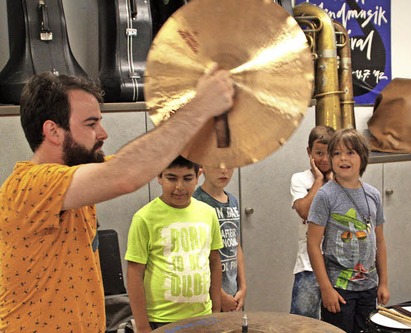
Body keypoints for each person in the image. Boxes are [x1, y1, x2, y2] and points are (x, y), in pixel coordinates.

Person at [0, 67, 234, 332]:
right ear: (53, 131)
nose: (103, 133)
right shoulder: (30, 186)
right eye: (91, 123)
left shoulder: (77, 182)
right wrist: (201, 107)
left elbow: (139, 162)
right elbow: (126, 174)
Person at [125, 156, 223, 332]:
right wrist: (142, 325)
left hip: (203, 317)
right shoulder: (144, 218)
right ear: (159, 176)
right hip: (162, 320)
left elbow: (214, 262)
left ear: (198, 175)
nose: (179, 187)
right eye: (171, 178)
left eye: (187, 178)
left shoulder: (208, 213)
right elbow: (134, 274)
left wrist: (216, 310)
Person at [307, 128, 390, 333]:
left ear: (362, 157)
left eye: (350, 152)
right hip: (339, 288)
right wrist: (326, 288)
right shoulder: (325, 196)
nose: (343, 158)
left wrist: (384, 283)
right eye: (336, 153)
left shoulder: (373, 195)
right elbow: (313, 244)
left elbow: (379, 241)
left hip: (368, 287)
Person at [289, 125, 335, 319]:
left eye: (329, 153)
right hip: (307, 264)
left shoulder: (342, 178)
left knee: (334, 319)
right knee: (303, 321)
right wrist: (318, 180)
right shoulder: (300, 179)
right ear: (309, 152)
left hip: (336, 264)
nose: (324, 159)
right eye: (318, 153)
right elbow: (304, 211)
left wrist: (334, 181)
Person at [193, 166, 247, 312]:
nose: (224, 170)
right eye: (216, 163)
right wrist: (219, 295)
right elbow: (197, 257)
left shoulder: (233, 200)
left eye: (229, 164)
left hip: (233, 292)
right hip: (208, 295)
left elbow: (236, 245)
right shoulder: (196, 202)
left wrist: (242, 287)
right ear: (202, 167)